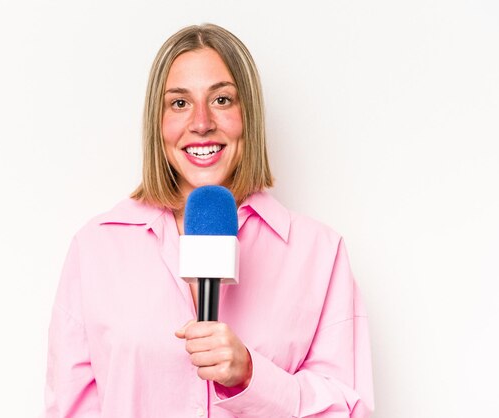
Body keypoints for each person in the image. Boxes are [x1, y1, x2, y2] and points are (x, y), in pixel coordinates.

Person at [43, 23, 374, 417]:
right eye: (179, 103)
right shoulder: (95, 248)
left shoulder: (320, 254)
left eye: (221, 99)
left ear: (247, 114)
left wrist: (252, 375)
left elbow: (348, 410)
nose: (201, 123)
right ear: (157, 123)